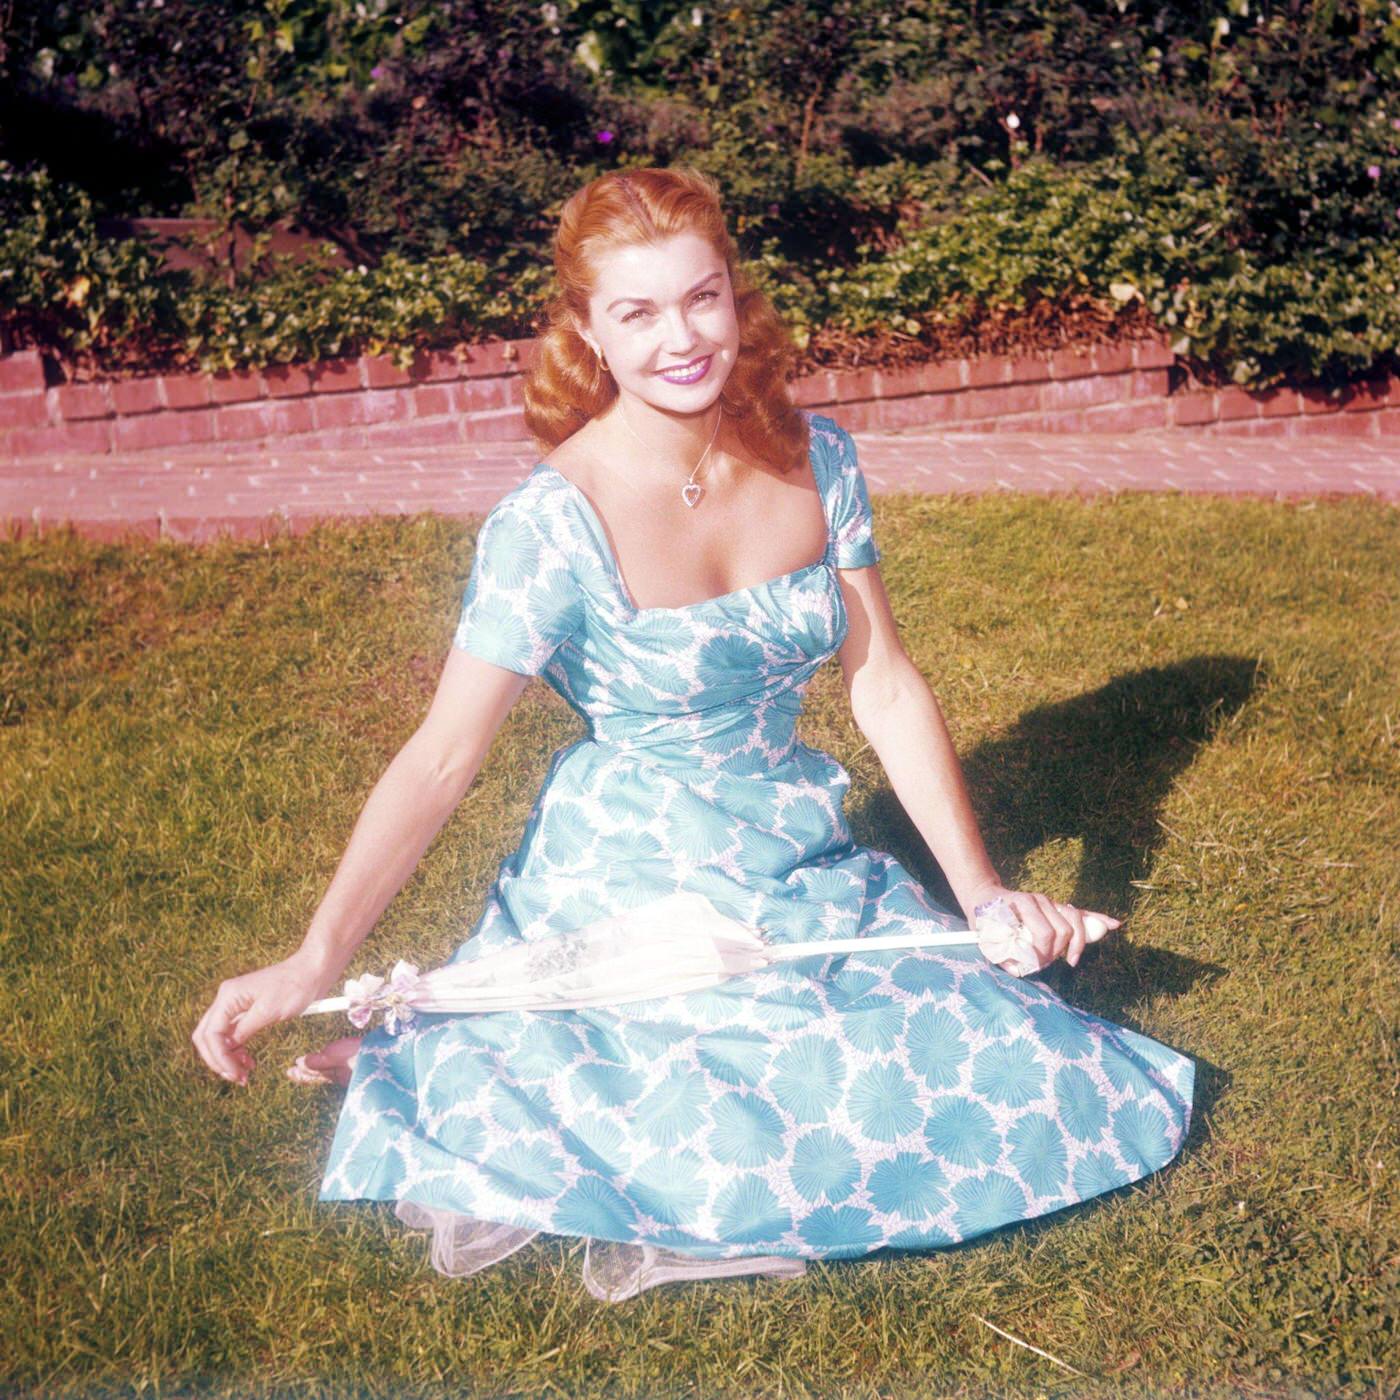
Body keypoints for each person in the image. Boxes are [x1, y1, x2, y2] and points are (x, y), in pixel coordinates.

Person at [192, 166, 1194, 1303]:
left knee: (1001, 1058)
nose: (681, 338)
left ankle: (454, 1043)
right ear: (586, 332)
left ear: (735, 296)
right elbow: (440, 756)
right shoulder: (547, 524)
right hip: (630, 863)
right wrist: (317, 954)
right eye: (637, 312)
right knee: (722, 1113)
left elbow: (885, 687)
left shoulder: (818, 460)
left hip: (793, 841)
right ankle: (446, 1048)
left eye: (700, 298)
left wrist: (978, 895)